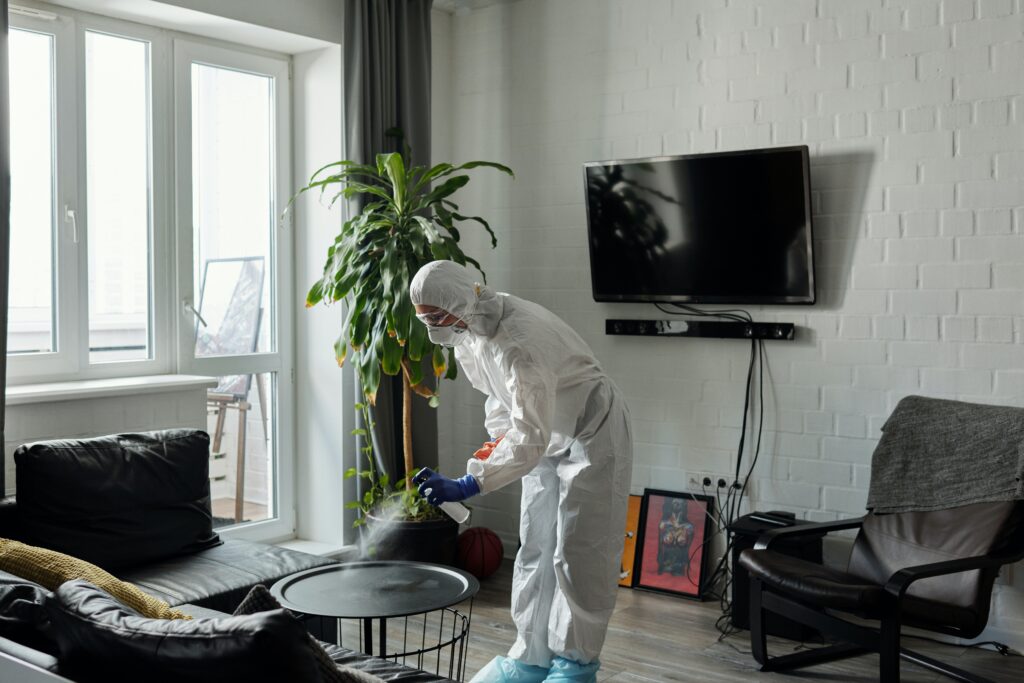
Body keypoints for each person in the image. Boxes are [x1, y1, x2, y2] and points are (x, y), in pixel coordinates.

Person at [409, 260, 633, 683]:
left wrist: (470, 482)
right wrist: (494, 445)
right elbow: (500, 399)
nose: (433, 326)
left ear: (459, 299)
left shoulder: (517, 341)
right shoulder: (469, 332)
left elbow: (528, 435)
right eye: (425, 319)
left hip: (591, 430)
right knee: (535, 544)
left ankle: (574, 666)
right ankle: (530, 658)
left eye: (436, 316)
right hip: (546, 435)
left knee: (579, 552)